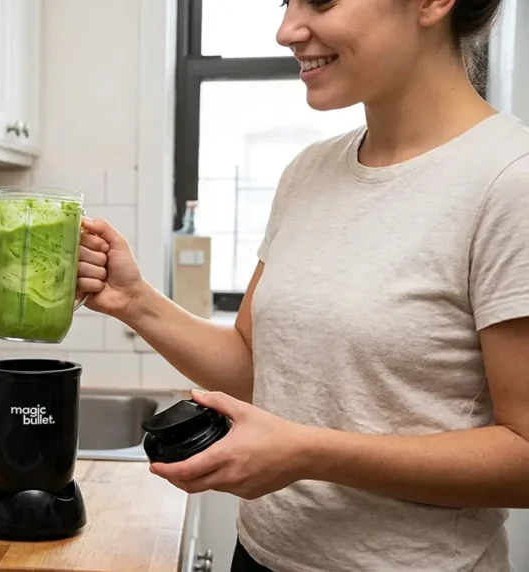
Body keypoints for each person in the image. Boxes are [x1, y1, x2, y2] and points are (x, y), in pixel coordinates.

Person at [77, 0, 528, 570]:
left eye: (320, 0)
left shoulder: (511, 182)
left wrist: (309, 453)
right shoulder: (309, 172)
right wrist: (133, 300)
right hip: (261, 554)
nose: (286, 30)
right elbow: (254, 366)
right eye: (284, 2)